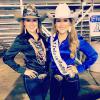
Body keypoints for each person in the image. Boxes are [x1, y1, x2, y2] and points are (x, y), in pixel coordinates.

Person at [48, 3, 98, 100]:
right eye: (58, 21)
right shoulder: (50, 40)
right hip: (54, 80)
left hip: (70, 79)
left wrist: (79, 68)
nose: (62, 24)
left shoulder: (77, 39)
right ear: (55, 23)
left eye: (65, 20)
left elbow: (94, 56)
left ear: (70, 23)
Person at [3, 4, 50, 100]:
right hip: (32, 79)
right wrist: (23, 70)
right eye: (28, 20)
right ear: (23, 22)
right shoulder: (21, 39)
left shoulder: (43, 37)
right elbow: (7, 58)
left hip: (46, 77)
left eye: (34, 20)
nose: (31, 23)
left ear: (38, 22)